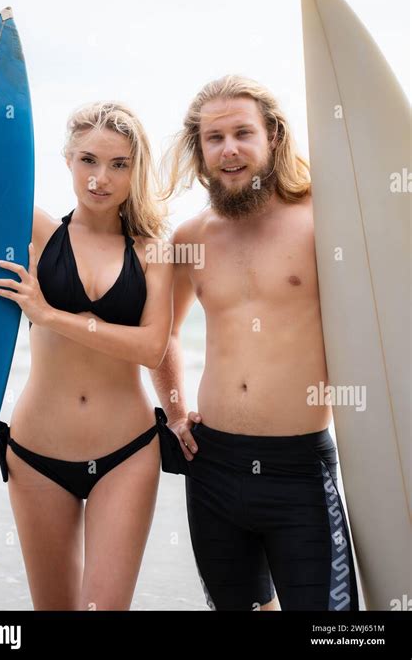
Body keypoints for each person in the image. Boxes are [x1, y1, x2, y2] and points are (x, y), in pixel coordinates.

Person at [0, 14, 174, 611]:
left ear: (135, 169)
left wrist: (51, 316)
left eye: (119, 164)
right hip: (36, 453)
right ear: (67, 159)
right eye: (89, 160)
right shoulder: (36, 231)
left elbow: (152, 346)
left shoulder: (152, 250)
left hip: (127, 450)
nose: (101, 178)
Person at [150, 75, 359, 611]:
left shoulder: (323, 219)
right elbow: (165, 334)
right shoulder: (192, 238)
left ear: (273, 138)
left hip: (300, 470)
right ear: (201, 152)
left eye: (243, 133)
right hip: (213, 465)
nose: (230, 149)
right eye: (214, 138)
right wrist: (175, 412)